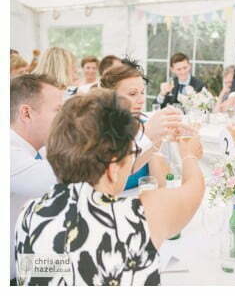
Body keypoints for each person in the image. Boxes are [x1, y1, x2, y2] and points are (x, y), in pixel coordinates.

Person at [13, 88, 205, 286]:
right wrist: (189, 154)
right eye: (131, 156)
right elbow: (194, 189)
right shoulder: (140, 215)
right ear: (113, 169)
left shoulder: (30, 213)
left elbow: (55, 272)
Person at [9, 74, 65, 284]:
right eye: (58, 110)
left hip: (28, 261)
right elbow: (69, 177)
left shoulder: (35, 149)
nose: (64, 119)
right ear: (26, 113)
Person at [98, 62, 186, 191]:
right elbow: (110, 188)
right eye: (133, 94)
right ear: (110, 96)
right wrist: (147, 136)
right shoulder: (97, 131)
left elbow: (160, 184)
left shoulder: (141, 123)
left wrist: (159, 137)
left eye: (142, 92)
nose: (141, 100)